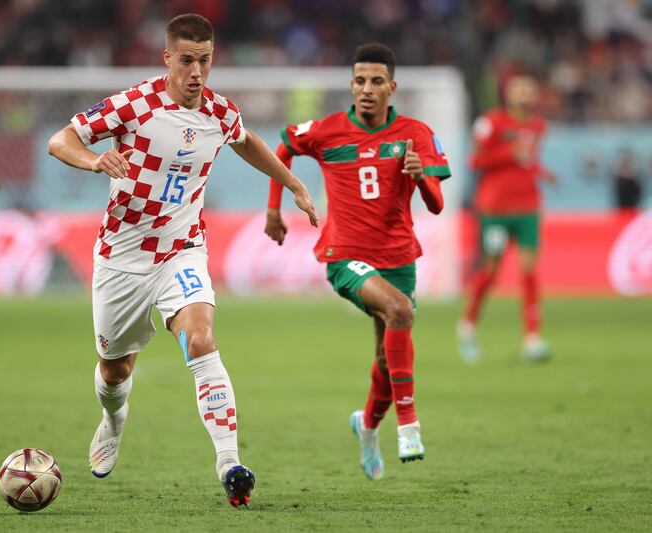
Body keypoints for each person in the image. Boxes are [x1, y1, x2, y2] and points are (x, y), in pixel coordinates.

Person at [47, 13, 318, 508]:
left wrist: (293, 182)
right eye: (188, 60)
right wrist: (93, 160)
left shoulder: (218, 113)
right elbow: (59, 139)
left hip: (182, 247)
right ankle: (113, 420)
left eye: (206, 60)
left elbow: (247, 141)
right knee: (114, 370)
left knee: (202, 337)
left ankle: (229, 462)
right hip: (122, 258)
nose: (197, 71)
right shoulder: (135, 104)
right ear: (167, 58)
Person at [265, 43, 450, 480]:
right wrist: (276, 205)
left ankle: (367, 427)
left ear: (392, 86)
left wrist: (421, 177)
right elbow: (283, 146)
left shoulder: (416, 133)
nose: (367, 89)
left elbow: (437, 206)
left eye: (376, 81)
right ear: (352, 85)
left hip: (399, 257)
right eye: (360, 81)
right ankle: (408, 424)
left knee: (388, 361)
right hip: (345, 256)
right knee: (401, 311)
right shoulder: (327, 131)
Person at [458, 75, 556, 364]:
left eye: (529, 88)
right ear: (508, 94)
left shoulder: (538, 125)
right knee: (491, 270)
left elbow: (527, 161)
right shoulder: (491, 122)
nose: (525, 93)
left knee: (529, 269)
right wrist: (507, 153)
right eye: (519, 88)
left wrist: (541, 172)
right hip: (495, 209)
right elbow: (474, 161)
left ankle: (532, 338)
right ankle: (467, 327)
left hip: (528, 207)